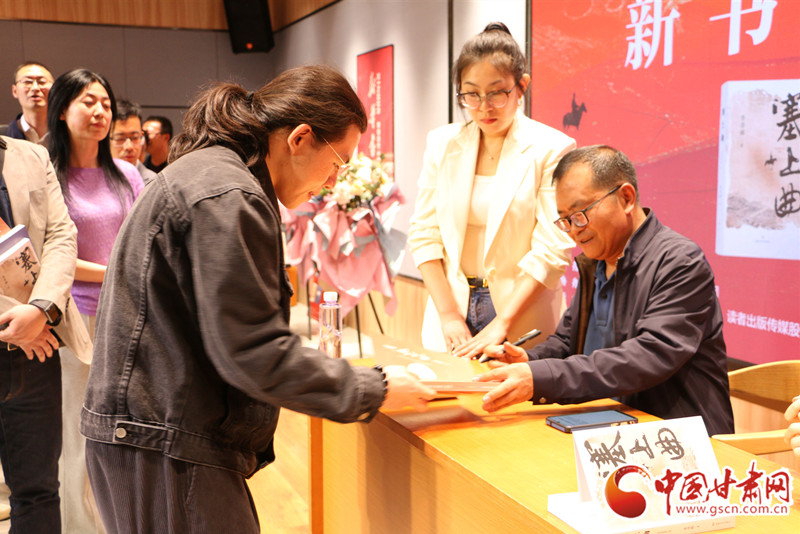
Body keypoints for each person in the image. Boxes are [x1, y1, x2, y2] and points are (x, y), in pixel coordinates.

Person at [80, 65, 435, 533]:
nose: (333, 182)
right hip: (164, 443)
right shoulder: (228, 193)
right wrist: (375, 387)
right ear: (300, 138)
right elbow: (251, 349)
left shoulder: (216, 175)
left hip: (160, 437)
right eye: (338, 162)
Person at [476, 145, 735, 436]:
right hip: (610, 426)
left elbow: (648, 356)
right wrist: (528, 361)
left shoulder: (680, 261)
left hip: (675, 435)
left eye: (580, 214)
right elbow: (567, 342)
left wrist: (539, 378)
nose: (574, 229)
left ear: (626, 198)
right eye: (565, 220)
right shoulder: (596, 263)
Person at [408, 22, 575, 359]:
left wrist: (502, 323)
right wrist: (448, 315)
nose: (484, 107)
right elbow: (424, 233)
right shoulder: (442, 144)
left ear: (521, 86)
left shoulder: (551, 148)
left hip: (521, 315)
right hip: (450, 310)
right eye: (471, 94)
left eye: (497, 93)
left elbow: (551, 249)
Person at [47, 68, 145, 533]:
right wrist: (113, 271)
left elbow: (144, 238)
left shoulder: (127, 174)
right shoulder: (49, 176)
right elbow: (49, 253)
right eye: (88, 101)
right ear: (62, 110)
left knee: (124, 430)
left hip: (127, 315)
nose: (100, 111)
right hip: (74, 320)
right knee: (78, 432)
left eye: (105, 102)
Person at [0, 135, 92, 532]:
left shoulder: (31, 155)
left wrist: (41, 309)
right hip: (25, 332)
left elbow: (60, 235)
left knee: (38, 490)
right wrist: (10, 320)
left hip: (36, 351)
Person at [0, 62, 54, 145]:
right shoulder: (2, 137)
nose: (35, 88)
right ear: (14, 91)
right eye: (27, 82)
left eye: (42, 82)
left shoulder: (70, 134)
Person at [110, 99, 157, 184]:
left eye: (134, 138)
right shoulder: (94, 178)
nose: (129, 147)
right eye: (120, 139)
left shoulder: (154, 183)